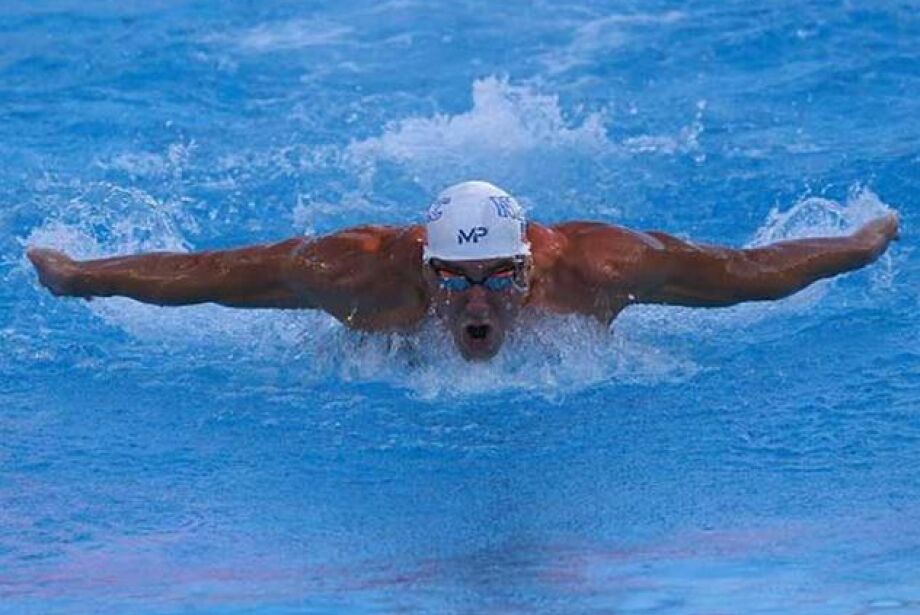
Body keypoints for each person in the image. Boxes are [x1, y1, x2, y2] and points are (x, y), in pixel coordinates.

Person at [27, 181, 899, 361]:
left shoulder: (597, 267)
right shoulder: (360, 275)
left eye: (495, 277)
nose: (475, 301)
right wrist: (80, 274)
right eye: (454, 279)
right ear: (424, 261)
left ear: (528, 263)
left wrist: (855, 246)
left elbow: (744, 273)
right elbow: (212, 273)